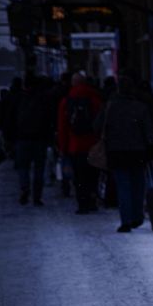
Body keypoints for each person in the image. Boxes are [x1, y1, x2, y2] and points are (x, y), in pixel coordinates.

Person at [98, 70, 153, 233]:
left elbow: (98, 126)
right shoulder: (140, 107)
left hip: (116, 151)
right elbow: (149, 132)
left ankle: (126, 220)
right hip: (137, 151)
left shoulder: (110, 107)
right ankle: (137, 216)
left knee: (123, 186)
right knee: (138, 184)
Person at [58, 73, 103, 214]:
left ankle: (82, 203)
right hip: (92, 144)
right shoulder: (95, 99)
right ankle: (92, 200)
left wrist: (63, 146)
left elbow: (62, 126)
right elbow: (101, 122)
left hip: (75, 145)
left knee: (78, 176)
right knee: (93, 175)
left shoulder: (66, 101)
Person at [6, 75, 55, 206]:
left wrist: (10, 138)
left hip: (22, 138)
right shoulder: (44, 99)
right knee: (39, 168)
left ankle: (24, 188)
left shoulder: (19, 98)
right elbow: (50, 120)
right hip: (40, 139)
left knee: (23, 168)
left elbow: (10, 119)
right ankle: (37, 196)